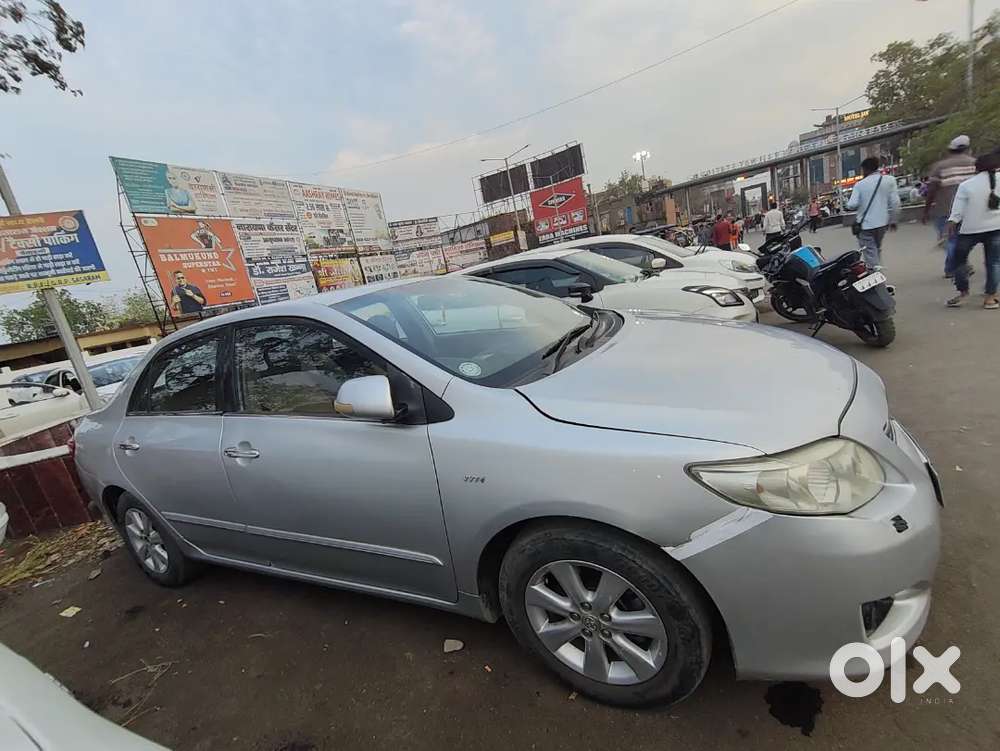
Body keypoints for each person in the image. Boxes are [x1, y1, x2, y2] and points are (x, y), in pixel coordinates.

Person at [945, 149, 1000, 309]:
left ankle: (963, 293)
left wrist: (951, 225)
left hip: (970, 229)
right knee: (994, 262)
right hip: (996, 227)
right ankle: (990, 298)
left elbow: (957, 211)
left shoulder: (966, 185)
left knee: (959, 260)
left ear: (977, 168)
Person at [924, 135, 977, 277]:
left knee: (949, 240)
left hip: (946, 210)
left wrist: (926, 210)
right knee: (959, 240)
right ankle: (950, 269)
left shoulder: (940, 167)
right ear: (967, 149)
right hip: (970, 210)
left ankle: (962, 265)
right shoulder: (975, 163)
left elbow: (932, 190)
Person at [846, 157, 900, 269]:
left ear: (865, 169)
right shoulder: (889, 180)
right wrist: (893, 220)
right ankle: (878, 273)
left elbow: (851, 205)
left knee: (870, 255)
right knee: (876, 250)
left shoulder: (860, 185)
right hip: (882, 224)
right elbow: (895, 202)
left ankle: (878, 284)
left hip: (865, 226)